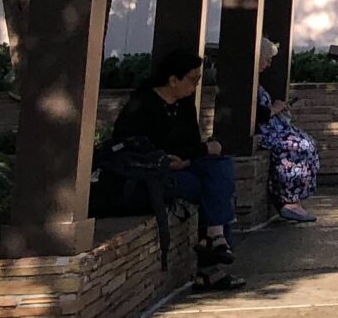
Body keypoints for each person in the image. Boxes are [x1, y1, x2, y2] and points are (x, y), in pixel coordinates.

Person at [109, 50, 243, 290]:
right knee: (212, 188)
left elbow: (190, 144)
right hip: (154, 172)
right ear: (173, 80)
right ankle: (212, 255)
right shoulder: (142, 105)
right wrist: (167, 159)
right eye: (192, 80)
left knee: (221, 166)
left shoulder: (184, 105)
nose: (196, 85)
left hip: (183, 165)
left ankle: (214, 238)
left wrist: (193, 157)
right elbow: (128, 146)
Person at [255, 39, 320, 224]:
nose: (268, 64)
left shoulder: (257, 81)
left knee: (307, 142)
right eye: (266, 59)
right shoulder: (246, 81)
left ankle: (296, 199)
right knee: (297, 146)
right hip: (265, 132)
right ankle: (287, 200)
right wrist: (275, 109)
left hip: (273, 127)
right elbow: (256, 113)